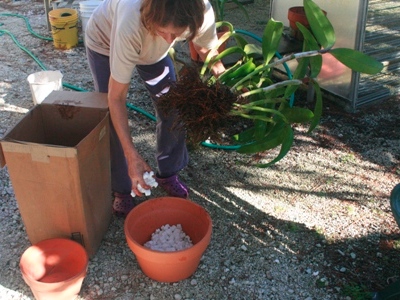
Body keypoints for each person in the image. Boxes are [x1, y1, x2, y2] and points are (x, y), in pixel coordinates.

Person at [84, 0, 225, 217]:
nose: (170, 40)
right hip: (106, 42)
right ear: (151, 20)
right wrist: (132, 155)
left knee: (174, 108)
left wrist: (225, 83)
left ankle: (168, 173)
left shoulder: (200, 10)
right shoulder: (131, 19)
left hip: (152, 51)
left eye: (177, 34)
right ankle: (122, 188)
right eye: (164, 32)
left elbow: (206, 49)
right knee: (109, 118)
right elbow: (117, 97)